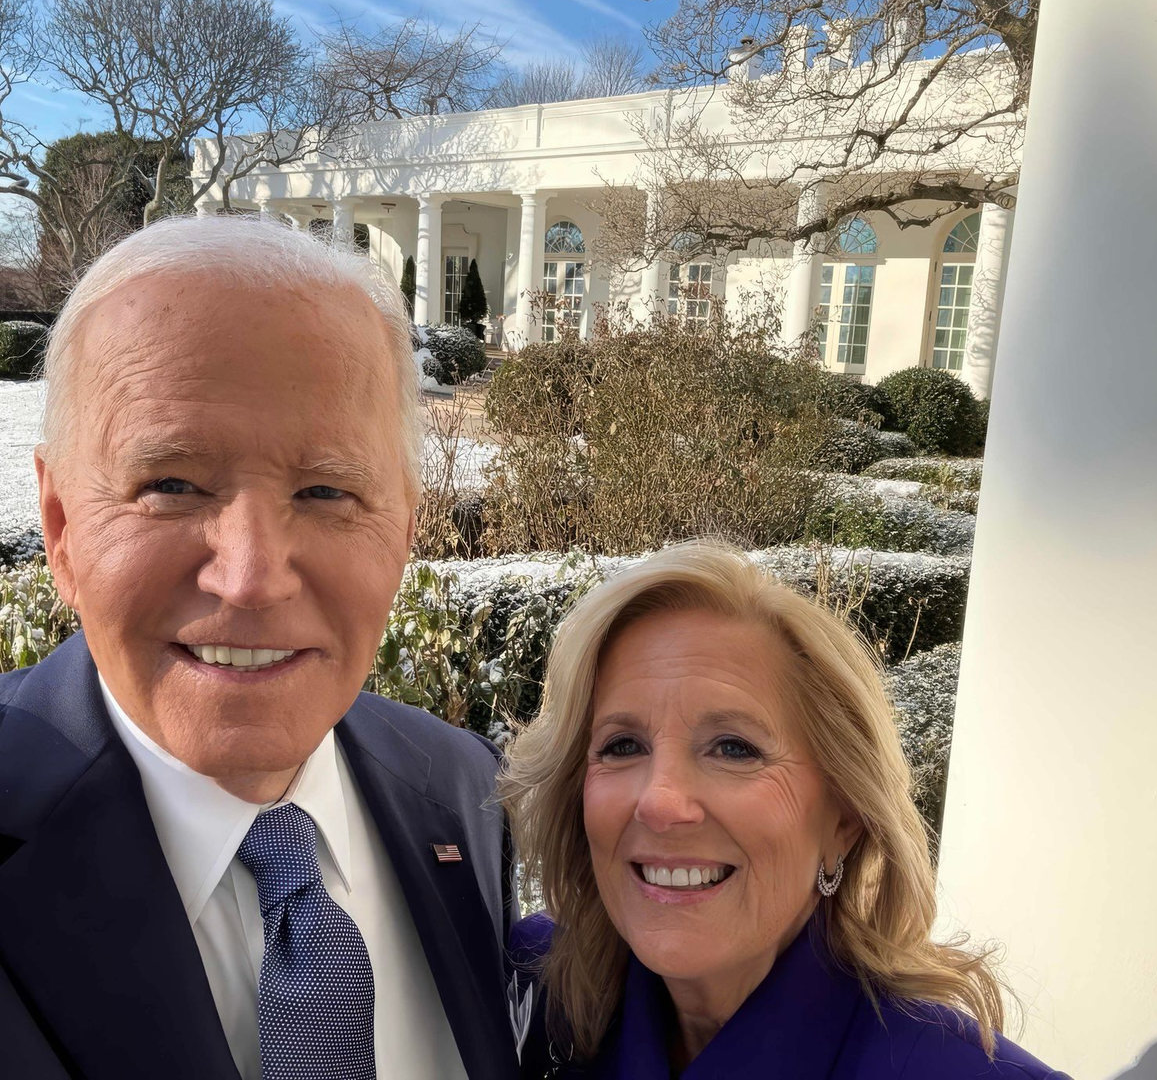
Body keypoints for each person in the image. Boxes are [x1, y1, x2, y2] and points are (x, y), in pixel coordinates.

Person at [0, 216, 519, 1080]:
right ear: (60, 527)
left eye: (326, 490)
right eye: (170, 484)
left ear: (403, 528)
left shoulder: (462, 789)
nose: (249, 578)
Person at [502, 542, 1071, 1079]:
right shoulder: (530, 991)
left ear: (844, 819)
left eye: (734, 748)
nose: (659, 802)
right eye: (622, 745)